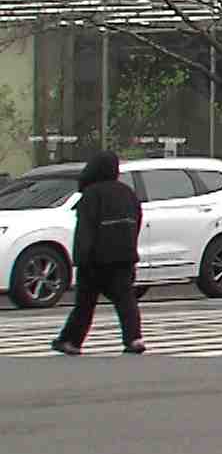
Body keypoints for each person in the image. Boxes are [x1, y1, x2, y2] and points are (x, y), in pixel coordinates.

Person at [51, 152, 144, 355]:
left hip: (96, 258)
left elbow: (85, 230)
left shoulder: (91, 194)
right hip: (124, 256)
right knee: (125, 300)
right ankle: (134, 338)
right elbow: (136, 222)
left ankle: (71, 341)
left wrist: (81, 259)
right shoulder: (127, 192)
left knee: (85, 303)